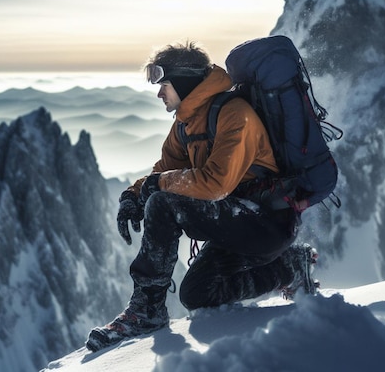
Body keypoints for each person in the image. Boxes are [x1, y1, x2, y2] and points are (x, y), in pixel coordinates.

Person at [85, 41, 318, 352]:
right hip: (235, 222)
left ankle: (147, 310)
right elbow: (165, 169)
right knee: (197, 294)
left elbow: (215, 184)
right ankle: (289, 267)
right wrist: (133, 194)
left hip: (267, 224)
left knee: (164, 202)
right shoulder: (186, 124)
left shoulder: (235, 114)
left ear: (184, 82)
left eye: (164, 84)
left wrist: (155, 189)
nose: (159, 93)